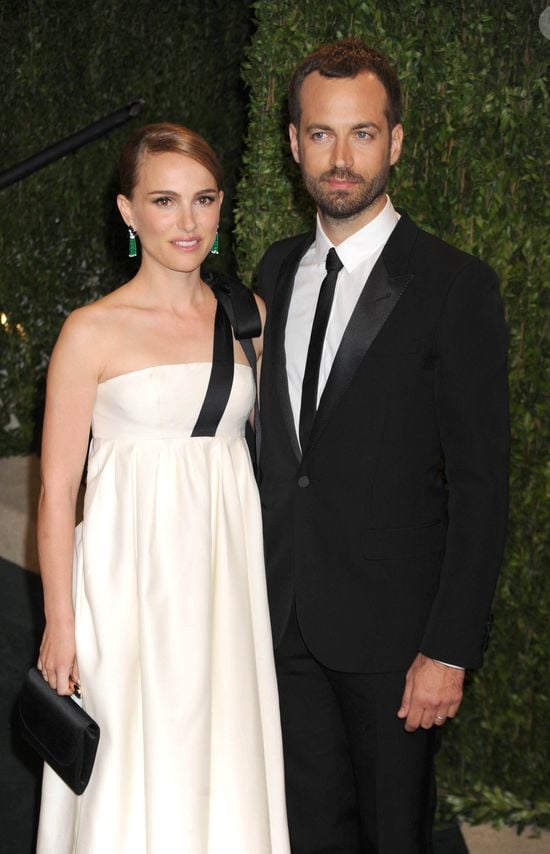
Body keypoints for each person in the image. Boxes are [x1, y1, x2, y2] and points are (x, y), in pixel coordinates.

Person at [257, 39, 509, 853]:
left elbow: (482, 486)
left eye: (362, 134)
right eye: (321, 134)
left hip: (397, 643)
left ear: (395, 142)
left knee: (394, 838)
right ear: (294, 143)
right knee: (306, 833)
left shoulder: (453, 285)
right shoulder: (272, 271)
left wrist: (448, 647)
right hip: (282, 619)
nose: (341, 158)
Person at [35, 123, 290, 853]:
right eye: (165, 201)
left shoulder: (250, 321)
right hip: (122, 586)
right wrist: (60, 620)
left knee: (221, 752)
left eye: (204, 200)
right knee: (125, 765)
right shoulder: (91, 331)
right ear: (128, 211)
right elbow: (56, 490)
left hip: (222, 584)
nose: (188, 223)